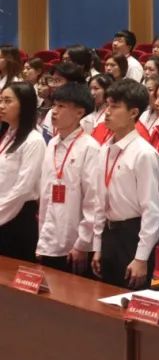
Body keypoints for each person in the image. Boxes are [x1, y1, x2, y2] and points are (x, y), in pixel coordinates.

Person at [90, 79, 159, 288]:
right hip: (109, 233)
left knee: (130, 300)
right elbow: (99, 202)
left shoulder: (144, 154)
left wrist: (141, 257)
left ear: (133, 112)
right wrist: (97, 246)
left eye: (115, 107)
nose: (107, 112)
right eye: (107, 105)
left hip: (132, 235)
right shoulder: (104, 149)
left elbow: (151, 210)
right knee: (103, 298)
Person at [35, 83, 99, 273]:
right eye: (54, 105)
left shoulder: (90, 147)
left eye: (61, 106)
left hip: (74, 244)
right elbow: (45, 195)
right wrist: (42, 240)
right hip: (48, 238)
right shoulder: (52, 144)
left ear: (79, 112)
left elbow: (93, 200)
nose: (54, 111)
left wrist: (83, 243)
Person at [0, 82, 48, 262]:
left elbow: (23, 188)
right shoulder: (8, 134)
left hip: (17, 217)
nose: (1, 106)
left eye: (7, 101)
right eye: (0, 100)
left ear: (24, 105)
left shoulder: (34, 141)